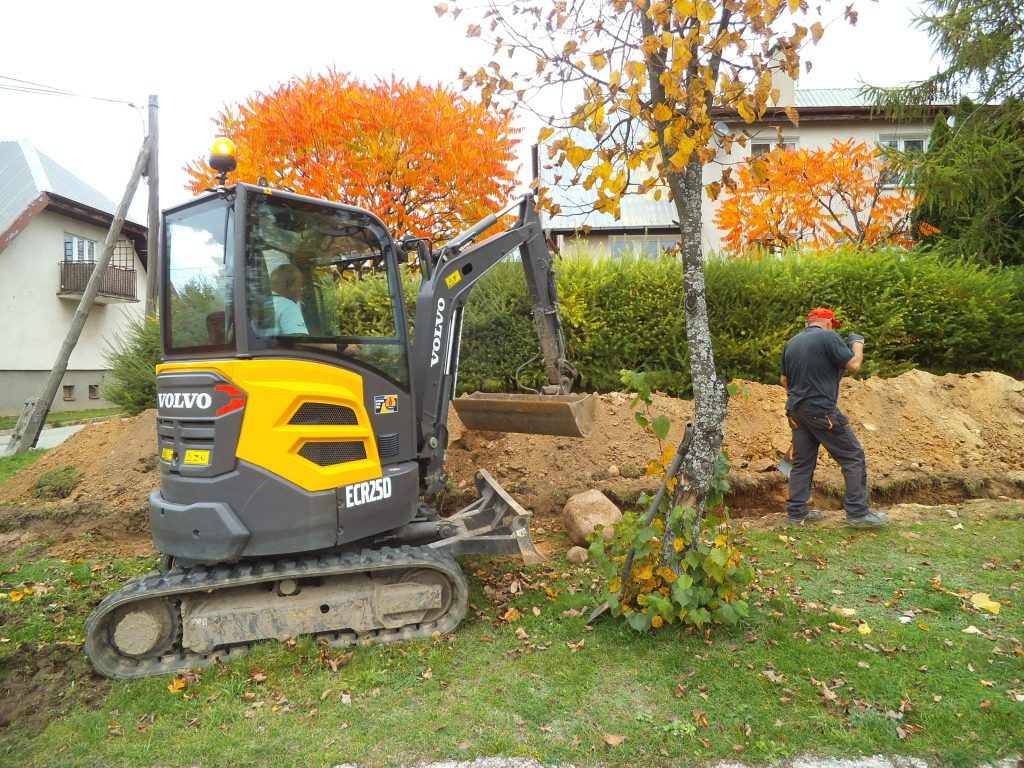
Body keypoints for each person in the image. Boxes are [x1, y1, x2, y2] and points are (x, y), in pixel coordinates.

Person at [780, 307, 888, 528]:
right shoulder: (829, 337)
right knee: (853, 456)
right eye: (833, 325)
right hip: (821, 410)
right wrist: (857, 344)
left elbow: (784, 381)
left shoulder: (791, 343)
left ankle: (796, 514)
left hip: (796, 411)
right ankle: (858, 514)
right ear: (828, 322)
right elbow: (854, 364)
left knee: (802, 462)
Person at [269, 263, 308, 335]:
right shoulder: (288, 306)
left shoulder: (261, 303)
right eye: (300, 286)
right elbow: (300, 339)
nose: (301, 291)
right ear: (291, 285)